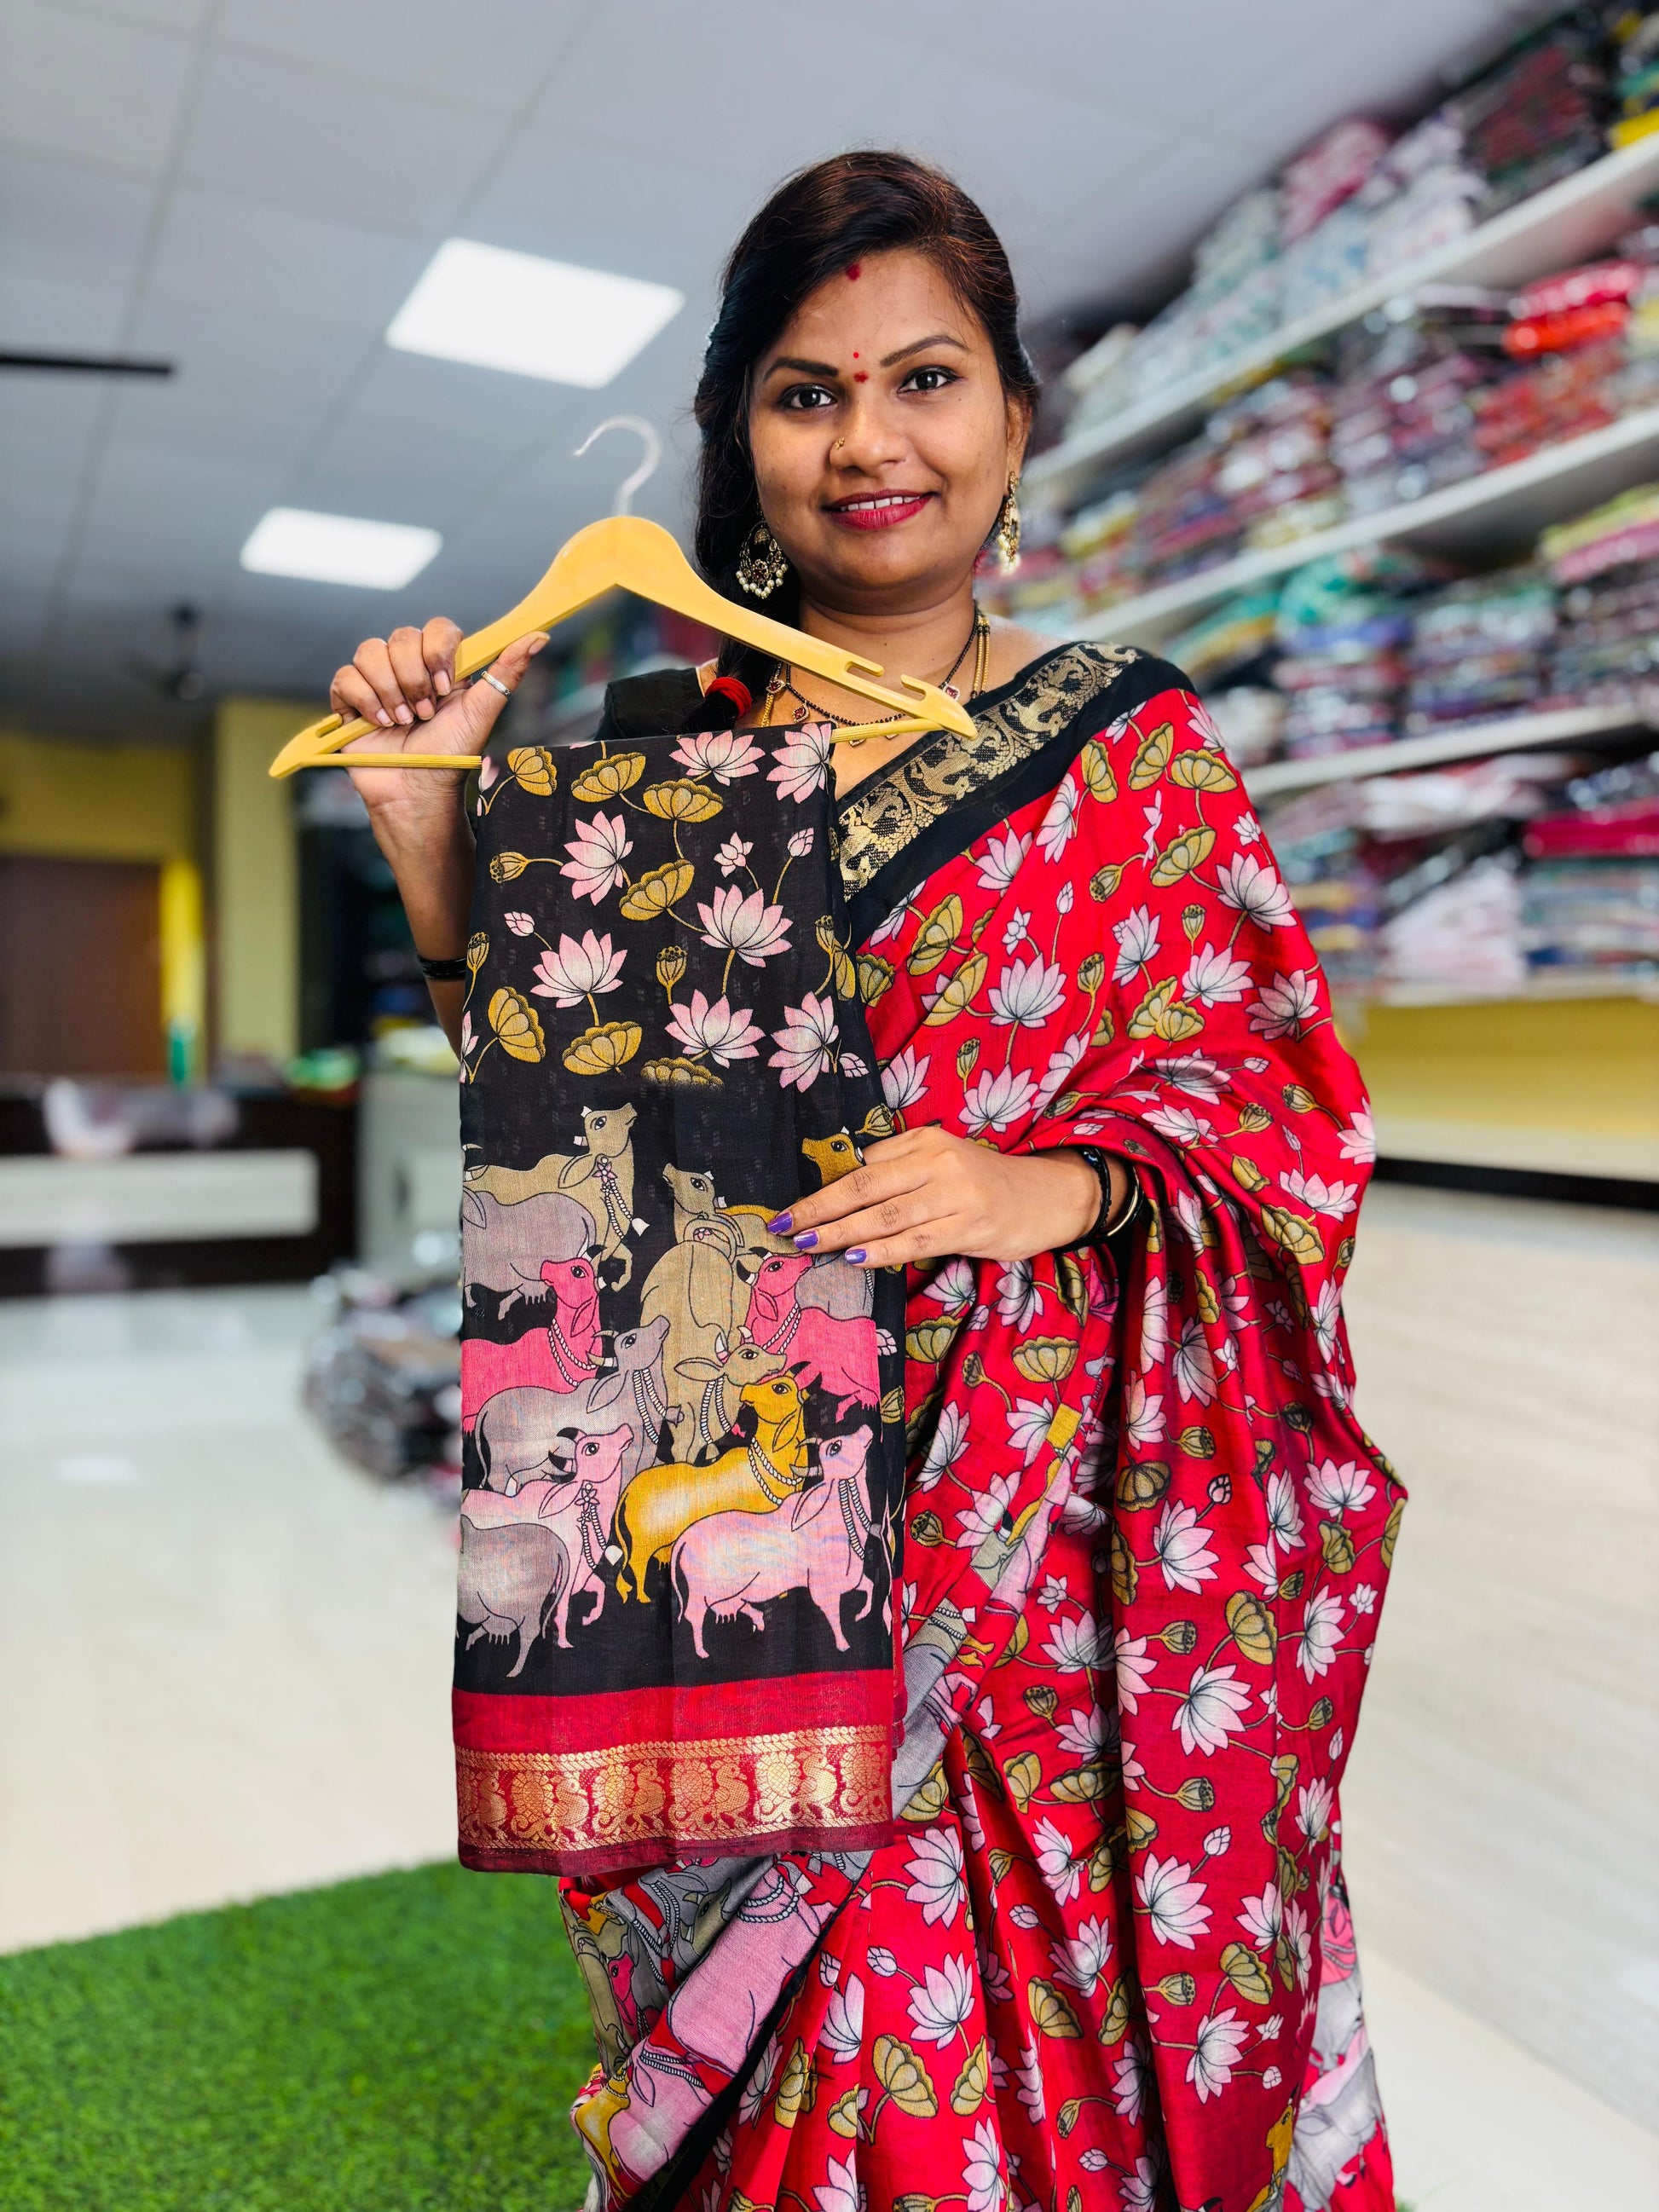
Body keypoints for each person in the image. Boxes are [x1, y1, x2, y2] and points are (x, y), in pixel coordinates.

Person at [335, 152, 1400, 2212]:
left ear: (1012, 412)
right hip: (772, 1535)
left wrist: (1052, 1188)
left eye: (925, 376)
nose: (871, 439)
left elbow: (1282, 1106)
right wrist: (432, 853)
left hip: (1063, 1563)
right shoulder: (658, 759)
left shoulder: (1132, 749)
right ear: (742, 435)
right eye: (807, 390)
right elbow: (593, 1174)